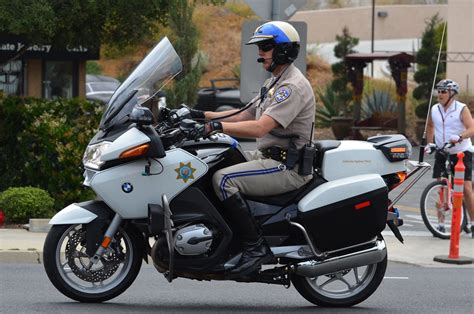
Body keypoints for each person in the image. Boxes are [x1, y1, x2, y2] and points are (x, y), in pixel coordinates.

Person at [191, 21, 316, 275]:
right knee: (212, 161)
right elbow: (241, 114)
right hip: (268, 157)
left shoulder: (291, 88)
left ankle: (254, 247)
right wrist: (197, 115)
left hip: (286, 167)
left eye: (266, 47)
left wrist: (215, 127)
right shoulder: (275, 82)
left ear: (283, 50)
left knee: (224, 179)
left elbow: (259, 128)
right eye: (260, 47)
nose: (260, 53)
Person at [425, 79, 474, 237]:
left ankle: (472, 223)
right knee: (441, 187)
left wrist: (459, 137)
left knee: (466, 188)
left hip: (461, 152)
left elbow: (472, 128)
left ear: (452, 94)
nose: (440, 94)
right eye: (438, 91)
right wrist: (430, 143)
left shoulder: (461, 109)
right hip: (442, 150)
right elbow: (430, 126)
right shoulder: (434, 109)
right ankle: (440, 224)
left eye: (443, 91)